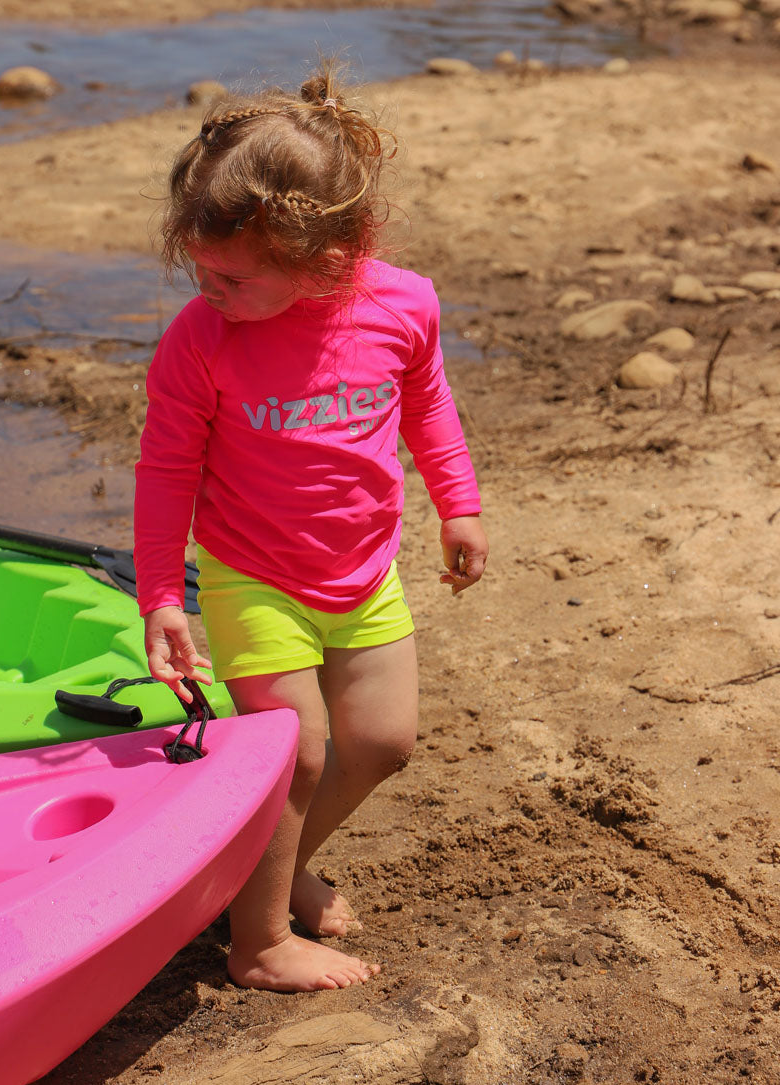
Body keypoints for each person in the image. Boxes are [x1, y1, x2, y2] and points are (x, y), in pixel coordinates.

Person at [133, 61, 488, 993]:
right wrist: (162, 596)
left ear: (330, 255)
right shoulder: (199, 341)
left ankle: (273, 874)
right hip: (253, 574)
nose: (209, 289)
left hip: (365, 569)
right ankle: (257, 943)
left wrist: (458, 503)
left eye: (234, 276)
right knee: (294, 754)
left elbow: (427, 404)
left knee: (381, 744)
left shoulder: (403, 304)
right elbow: (166, 472)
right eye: (199, 268)